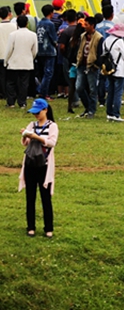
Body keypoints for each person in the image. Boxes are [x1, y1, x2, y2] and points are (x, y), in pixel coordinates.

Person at [20, 98, 58, 238]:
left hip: (44, 166)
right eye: (34, 113)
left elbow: (51, 142)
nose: (36, 115)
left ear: (45, 110)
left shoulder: (52, 126)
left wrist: (37, 137)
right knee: (30, 197)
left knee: (45, 198)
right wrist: (25, 135)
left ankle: (48, 228)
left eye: (38, 112)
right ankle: (31, 227)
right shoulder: (32, 124)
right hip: (30, 165)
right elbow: (25, 143)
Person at [5, 15, 37, 109]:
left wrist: (6, 60)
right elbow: (35, 50)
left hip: (14, 62)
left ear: (17, 24)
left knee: (11, 83)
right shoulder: (33, 35)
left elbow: (9, 50)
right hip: (27, 62)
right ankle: (22, 102)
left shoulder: (13, 35)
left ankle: (11, 102)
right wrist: (31, 57)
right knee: (24, 83)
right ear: (27, 23)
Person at [35, 4, 59, 98]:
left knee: (43, 73)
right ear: (51, 13)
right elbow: (54, 39)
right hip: (49, 51)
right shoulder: (50, 24)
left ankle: (42, 91)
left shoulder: (39, 23)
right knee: (48, 73)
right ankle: (44, 93)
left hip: (40, 50)